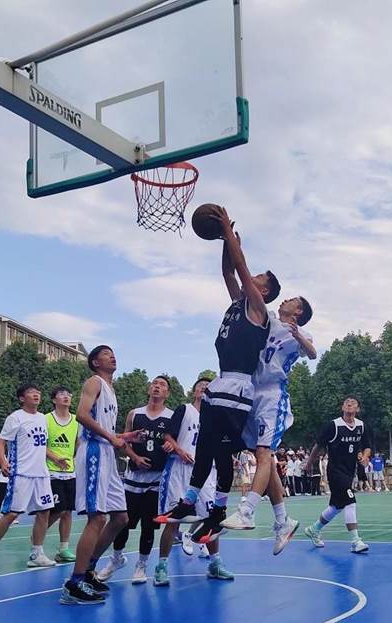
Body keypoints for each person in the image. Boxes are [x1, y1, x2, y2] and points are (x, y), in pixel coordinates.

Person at [156, 205, 280, 545]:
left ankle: (218, 511)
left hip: (238, 388)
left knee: (222, 453)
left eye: (259, 278)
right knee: (207, 446)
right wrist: (227, 242)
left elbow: (240, 268)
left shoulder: (259, 309)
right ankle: (189, 501)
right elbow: (229, 272)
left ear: (264, 291)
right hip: (220, 383)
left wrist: (227, 232)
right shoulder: (239, 303)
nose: (253, 278)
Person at [222, 296, 316, 552]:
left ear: (298, 311)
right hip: (251, 391)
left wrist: (298, 336)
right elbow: (243, 300)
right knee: (265, 458)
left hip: (273, 394)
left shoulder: (300, 333)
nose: (285, 299)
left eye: (292, 300)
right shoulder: (269, 319)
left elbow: (312, 353)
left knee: (264, 453)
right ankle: (283, 521)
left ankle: (247, 511)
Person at [60, 345, 144, 606]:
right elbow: (81, 415)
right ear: (95, 362)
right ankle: (74, 583)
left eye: (113, 352)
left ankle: (88, 570)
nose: (112, 355)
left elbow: (104, 428)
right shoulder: (94, 382)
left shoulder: (111, 389)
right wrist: (112, 437)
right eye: (106, 353)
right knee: (97, 518)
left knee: (120, 518)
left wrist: (125, 436)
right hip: (94, 453)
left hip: (107, 453)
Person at [153, 377, 235, 585]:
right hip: (179, 470)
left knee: (211, 520)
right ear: (194, 392)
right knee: (172, 521)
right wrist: (179, 450)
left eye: (208, 387)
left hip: (206, 474)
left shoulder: (216, 417)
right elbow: (167, 436)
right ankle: (161, 566)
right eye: (201, 386)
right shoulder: (185, 410)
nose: (205, 388)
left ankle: (215, 564)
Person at [97, 376, 174, 584]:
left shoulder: (172, 417)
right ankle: (116, 558)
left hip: (157, 479)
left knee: (149, 525)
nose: (157, 386)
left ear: (167, 393)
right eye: (155, 383)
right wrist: (135, 457)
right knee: (122, 522)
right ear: (149, 389)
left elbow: (175, 442)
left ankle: (141, 565)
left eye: (162, 385)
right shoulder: (135, 414)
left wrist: (171, 446)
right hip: (133, 477)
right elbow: (124, 442)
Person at [0, 383, 56, 573]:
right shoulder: (15, 418)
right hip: (21, 473)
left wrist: (55, 459)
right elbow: (1, 442)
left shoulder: (43, 418)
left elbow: (40, 446)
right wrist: (3, 461)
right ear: (22, 398)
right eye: (31, 393)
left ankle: (36, 554)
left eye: (38, 392)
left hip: (41, 474)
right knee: (11, 514)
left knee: (44, 512)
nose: (36, 395)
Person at [304, 396, 371, 554]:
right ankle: (355, 541)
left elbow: (367, 446)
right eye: (347, 402)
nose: (349, 404)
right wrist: (309, 463)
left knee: (336, 506)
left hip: (349, 471)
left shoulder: (361, 426)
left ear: (358, 409)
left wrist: (365, 456)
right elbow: (318, 445)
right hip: (335, 471)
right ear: (342, 407)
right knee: (350, 502)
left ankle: (314, 529)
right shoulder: (334, 425)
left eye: (353, 403)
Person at [45, 386, 79, 563]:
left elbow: (78, 444)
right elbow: (41, 445)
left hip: (70, 472)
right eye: (61, 394)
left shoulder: (76, 421)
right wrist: (55, 458)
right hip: (51, 472)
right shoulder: (46, 419)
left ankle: (63, 549)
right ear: (54, 400)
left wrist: (72, 458)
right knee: (58, 510)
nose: (66, 397)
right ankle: (37, 539)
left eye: (68, 394)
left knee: (67, 512)